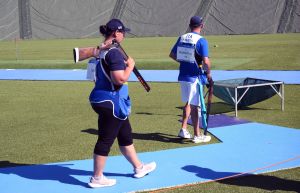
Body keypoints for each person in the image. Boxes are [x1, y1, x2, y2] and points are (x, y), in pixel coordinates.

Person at [88, 18, 156, 188]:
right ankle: (97, 177)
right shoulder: (114, 53)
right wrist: (130, 66)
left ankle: (139, 167)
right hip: (112, 102)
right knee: (105, 140)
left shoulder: (100, 51)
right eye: (122, 32)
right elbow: (119, 79)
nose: (124, 35)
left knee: (125, 136)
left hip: (105, 100)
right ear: (116, 33)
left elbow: (92, 77)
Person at [169, 16, 212, 143]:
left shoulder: (182, 37)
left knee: (188, 102)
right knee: (195, 106)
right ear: (202, 25)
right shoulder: (202, 40)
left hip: (183, 76)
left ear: (190, 25)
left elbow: (172, 54)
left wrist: (184, 62)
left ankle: (184, 129)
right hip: (194, 78)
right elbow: (206, 61)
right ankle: (197, 135)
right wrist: (208, 74)